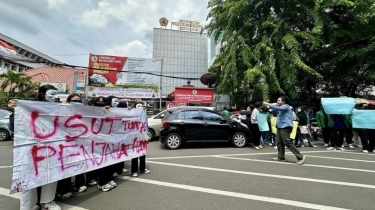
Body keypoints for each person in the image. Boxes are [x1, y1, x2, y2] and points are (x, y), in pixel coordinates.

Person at [20, 84, 61, 210]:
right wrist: (14, 109)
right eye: (52, 94)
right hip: (32, 148)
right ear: (42, 94)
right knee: (29, 175)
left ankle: (47, 201)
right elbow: (15, 125)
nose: (55, 97)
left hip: (52, 147)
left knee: (52, 172)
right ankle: (28, 205)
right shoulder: (27, 106)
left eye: (56, 94)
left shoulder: (59, 108)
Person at [56, 94, 87, 200]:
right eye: (74, 100)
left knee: (79, 163)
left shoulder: (84, 111)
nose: (77, 102)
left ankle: (79, 184)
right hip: (64, 144)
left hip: (79, 143)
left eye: (79, 101)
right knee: (66, 166)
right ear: (69, 101)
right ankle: (64, 189)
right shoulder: (62, 110)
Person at [263, 96, 306, 165]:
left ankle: (300, 157)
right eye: (277, 100)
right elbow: (275, 105)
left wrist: (268, 103)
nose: (277, 102)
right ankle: (281, 157)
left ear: (284, 101)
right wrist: (270, 104)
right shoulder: (280, 107)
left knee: (287, 142)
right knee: (279, 142)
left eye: (279, 100)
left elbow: (276, 107)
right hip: (280, 126)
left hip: (285, 127)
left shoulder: (286, 106)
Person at [131, 100, 151, 177]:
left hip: (142, 137)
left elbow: (146, 126)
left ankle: (142, 168)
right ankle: (134, 171)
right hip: (134, 138)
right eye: (138, 106)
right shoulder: (132, 115)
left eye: (141, 106)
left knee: (142, 153)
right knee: (135, 155)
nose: (140, 108)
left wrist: (147, 135)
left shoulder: (144, 115)